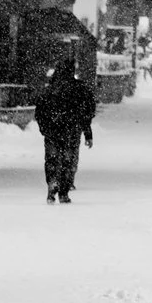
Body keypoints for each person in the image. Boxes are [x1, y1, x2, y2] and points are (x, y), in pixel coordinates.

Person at [33, 56, 96, 203]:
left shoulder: (49, 90)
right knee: (68, 160)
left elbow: (39, 111)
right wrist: (87, 132)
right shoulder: (80, 89)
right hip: (71, 130)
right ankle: (64, 190)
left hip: (52, 130)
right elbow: (87, 112)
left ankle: (52, 182)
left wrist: (44, 127)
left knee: (51, 159)